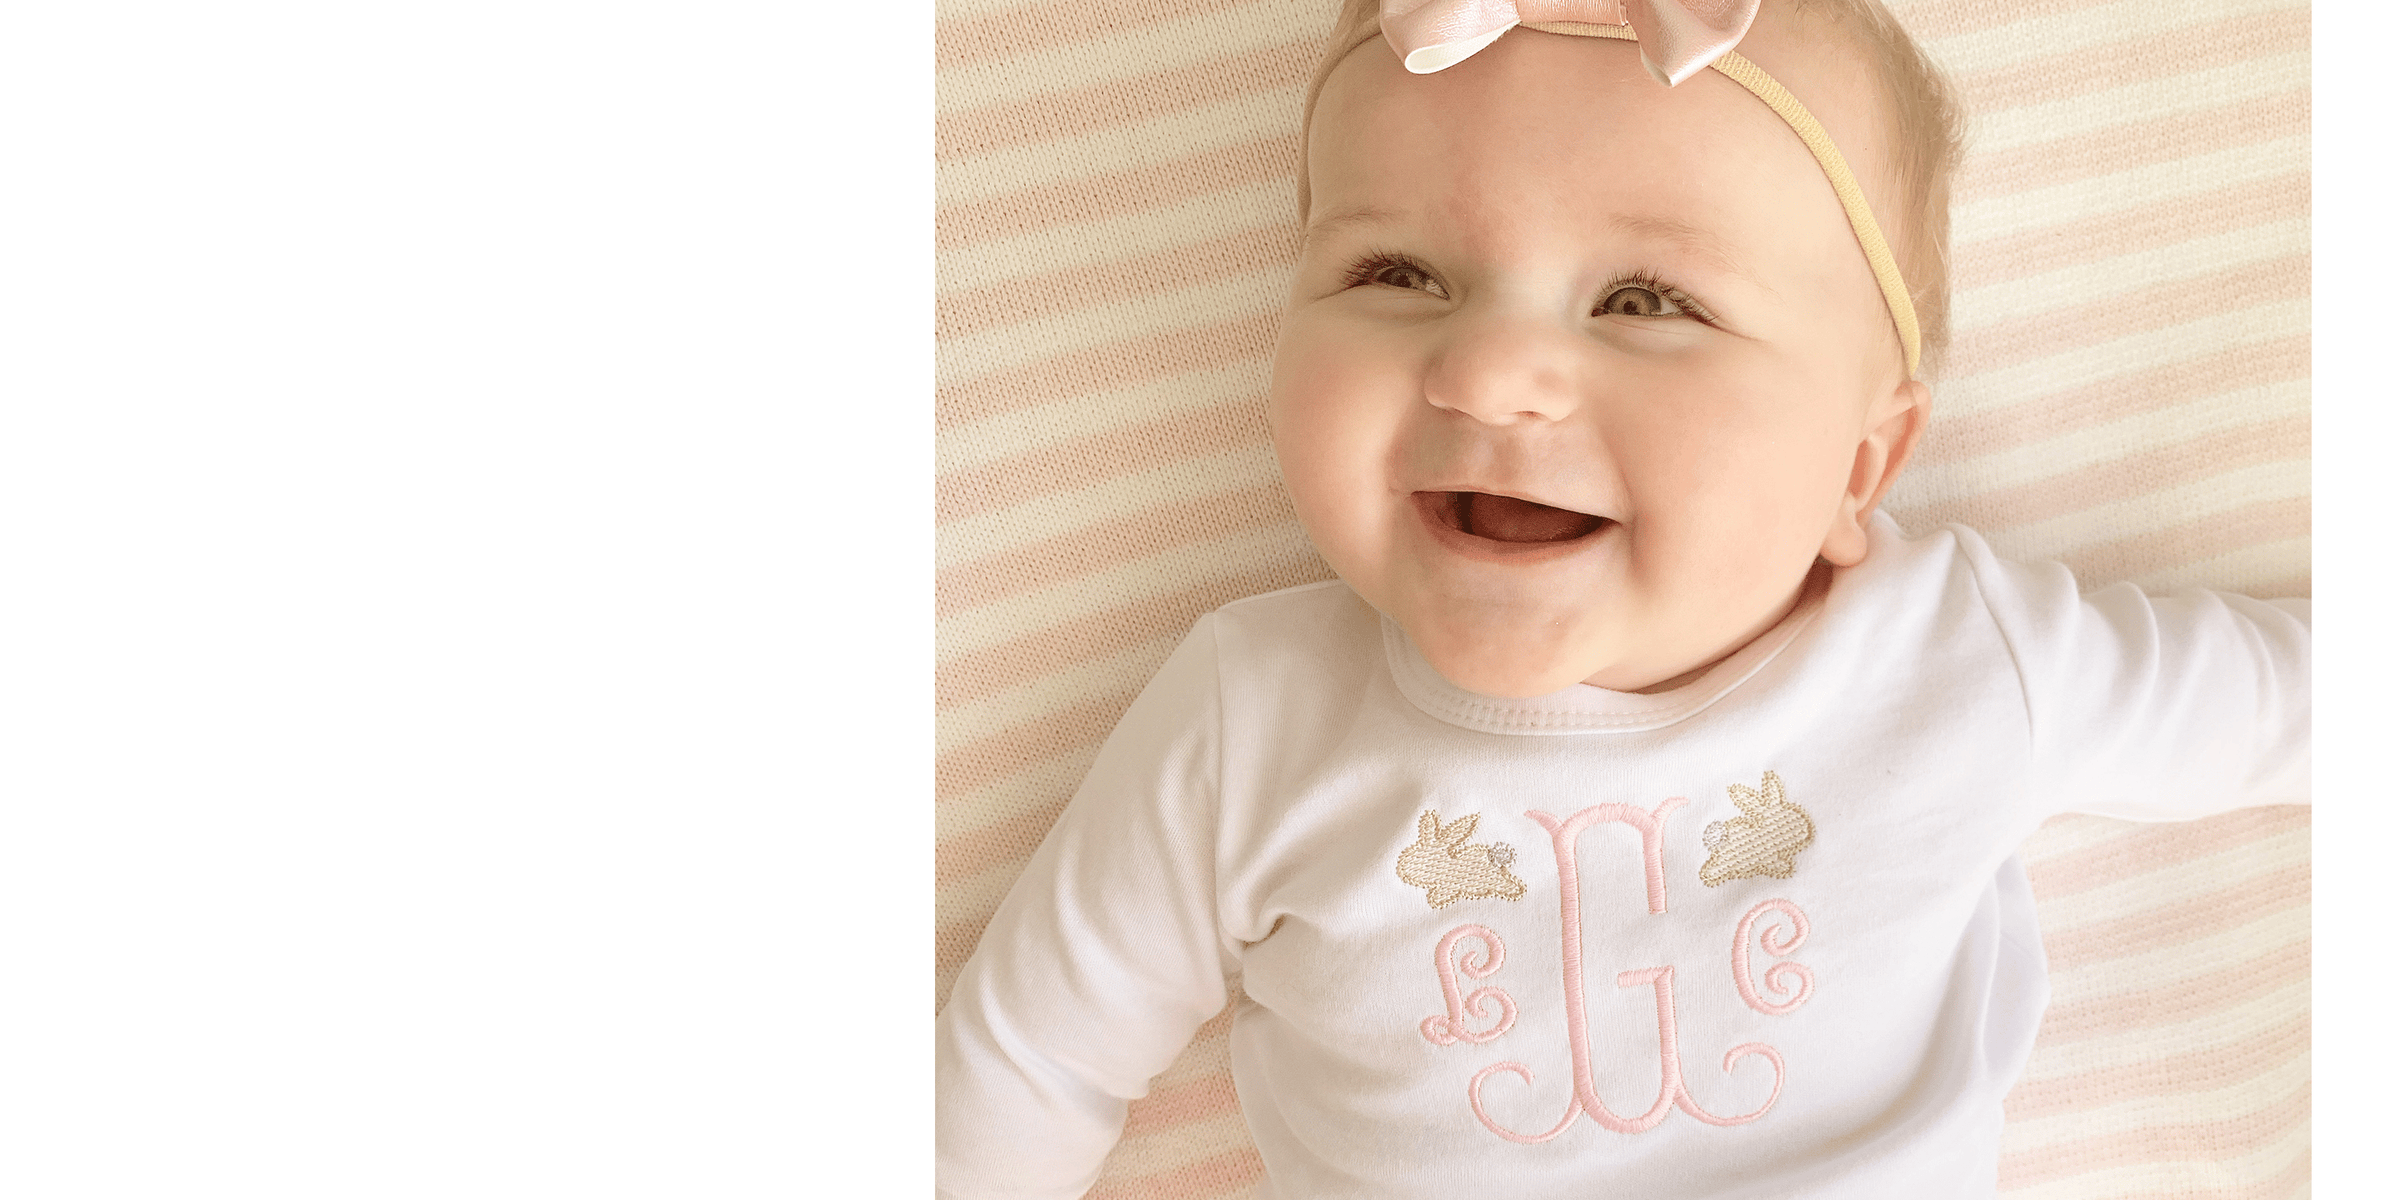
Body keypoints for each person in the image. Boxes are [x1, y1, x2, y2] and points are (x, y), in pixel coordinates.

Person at [934, 1, 2311, 1195]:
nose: (1489, 372)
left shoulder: (1964, 660)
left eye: (1645, 301)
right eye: (1395, 274)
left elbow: (2290, 710)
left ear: (1862, 464)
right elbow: (1027, 1062)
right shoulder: (1255, 718)